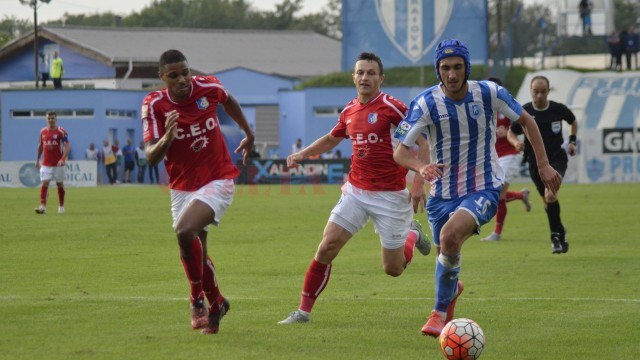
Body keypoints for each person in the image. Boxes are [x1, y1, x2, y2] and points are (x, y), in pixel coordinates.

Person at [393, 39, 561, 338]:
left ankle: (438, 313)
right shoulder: (425, 103)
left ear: (466, 68)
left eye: (458, 67)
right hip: (441, 194)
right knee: (447, 253)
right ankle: (451, 303)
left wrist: (544, 164)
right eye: (445, 68)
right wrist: (420, 168)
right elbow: (400, 152)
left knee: (449, 237)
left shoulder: (489, 92)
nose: (452, 74)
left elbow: (527, 121)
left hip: (483, 187)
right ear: (438, 70)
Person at [278, 52, 431, 325]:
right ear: (354, 77)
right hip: (356, 191)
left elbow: (422, 142)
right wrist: (302, 154)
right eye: (360, 72)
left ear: (380, 79)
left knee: (393, 269)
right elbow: (330, 139)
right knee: (327, 246)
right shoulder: (349, 110)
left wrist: (419, 181)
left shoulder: (392, 107)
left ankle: (411, 235)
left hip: (391, 196)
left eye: (371, 73)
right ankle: (302, 312)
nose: (365, 77)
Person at [142, 49, 254, 335]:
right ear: (162, 77)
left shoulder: (209, 87)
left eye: (185, 72)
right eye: (174, 75)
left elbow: (229, 102)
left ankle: (196, 302)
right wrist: (167, 137)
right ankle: (216, 304)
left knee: (184, 231)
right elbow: (151, 157)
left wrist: (248, 132)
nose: (182, 79)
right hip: (181, 186)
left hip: (218, 177)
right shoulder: (154, 104)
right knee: (194, 250)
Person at [508, 75, 578, 254]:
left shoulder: (557, 109)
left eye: (543, 92)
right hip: (535, 163)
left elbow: (573, 121)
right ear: (531, 91)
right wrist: (516, 142)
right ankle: (560, 233)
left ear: (548, 91)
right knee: (548, 201)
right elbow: (511, 133)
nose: (539, 95)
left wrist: (572, 141)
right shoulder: (524, 111)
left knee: (550, 195)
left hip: (556, 159)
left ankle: (555, 239)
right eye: (535, 92)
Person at [481, 78, 532, 242]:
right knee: (494, 194)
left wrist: (512, 135)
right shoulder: (482, 110)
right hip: (493, 157)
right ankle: (520, 195)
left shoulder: (508, 106)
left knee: (498, 193)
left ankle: (497, 233)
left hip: (509, 156)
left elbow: (523, 124)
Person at [34, 112, 70, 214]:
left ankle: (61, 206)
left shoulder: (61, 131)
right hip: (46, 164)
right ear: (46, 119)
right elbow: (41, 147)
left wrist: (63, 158)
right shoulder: (43, 131)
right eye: (49, 118)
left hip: (59, 164)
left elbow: (67, 145)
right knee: (45, 184)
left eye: (52, 118)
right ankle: (43, 207)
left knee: (60, 185)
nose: (50, 120)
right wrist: (37, 159)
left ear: (56, 119)